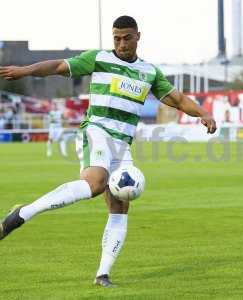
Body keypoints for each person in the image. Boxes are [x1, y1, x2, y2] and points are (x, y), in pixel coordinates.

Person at [0, 16, 216, 287]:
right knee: (95, 183)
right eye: (116, 38)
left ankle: (103, 274)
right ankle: (21, 214)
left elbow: (179, 100)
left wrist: (203, 113)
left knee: (120, 205)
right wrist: (25, 71)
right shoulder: (99, 58)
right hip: (96, 132)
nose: (121, 43)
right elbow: (57, 65)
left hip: (122, 144)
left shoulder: (149, 72)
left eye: (127, 38)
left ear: (138, 36)